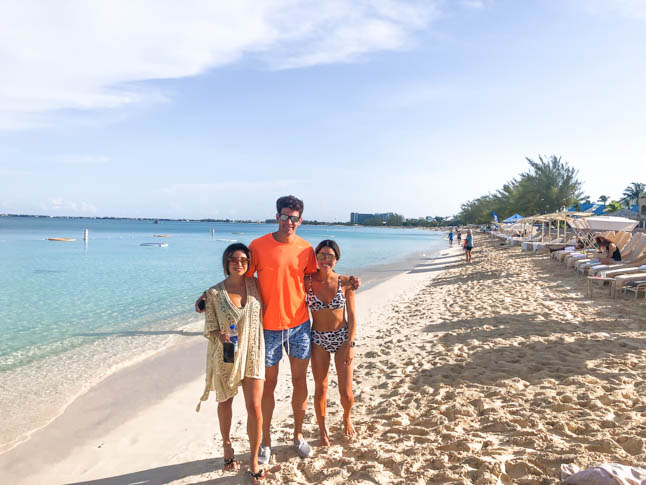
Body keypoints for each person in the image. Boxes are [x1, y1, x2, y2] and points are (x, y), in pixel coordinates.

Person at [194, 195, 360, 465]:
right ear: (277, 217)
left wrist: (348, 280)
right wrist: (208, 294)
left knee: (299, 382)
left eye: (294, 218)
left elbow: (320, 276)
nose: (289, 222)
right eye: (285, 216)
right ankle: (266, 442)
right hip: (268, 330)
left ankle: (298, 436)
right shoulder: (258, 246)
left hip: (299, 326)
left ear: (300, 220)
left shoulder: (306, 249)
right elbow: (239, 276)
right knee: (268, 386)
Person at [196, 243, 265, 482]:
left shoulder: (256, 285)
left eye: (244, 260)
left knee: (254, 407)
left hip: (254, 349)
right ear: (226, 263)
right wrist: (220, 335)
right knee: (226, 400)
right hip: (227, 350)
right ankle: (227, 446)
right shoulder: (214, 293)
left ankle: (254, 457)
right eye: (234, 260)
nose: (239, 263)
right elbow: (210, 328)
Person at [307, 240, 356, 446]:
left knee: (346, 391)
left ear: (337, 259)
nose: (325, 260)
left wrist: (350, 344)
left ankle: (347, 417)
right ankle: (322, 430)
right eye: (321, 256)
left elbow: (352, 316)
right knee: (322, 387)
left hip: (342, 338)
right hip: (318, 339)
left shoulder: (345, 283)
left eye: (330, 256)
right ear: (315, 258)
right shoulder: (306, 281)